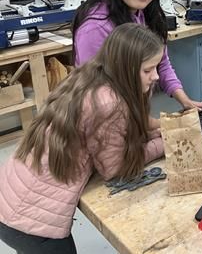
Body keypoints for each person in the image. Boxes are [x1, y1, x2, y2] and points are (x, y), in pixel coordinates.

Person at [0, 23, 165, 253]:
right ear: (125, 68)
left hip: (12, 195)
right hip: (32, 219)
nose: (155, 76)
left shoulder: (92, 75)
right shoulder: (109, 103)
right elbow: (115, 168)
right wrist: (162, 144)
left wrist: (153, 132)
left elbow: (113, 135)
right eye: (148, 70)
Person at [72, 0, 202, 111]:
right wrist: (146, 125)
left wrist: (186, 102)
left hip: (132, 110)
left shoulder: (145, 14)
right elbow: (94, 90)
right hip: (104, 114)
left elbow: (162, 63)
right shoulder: (95, 29)